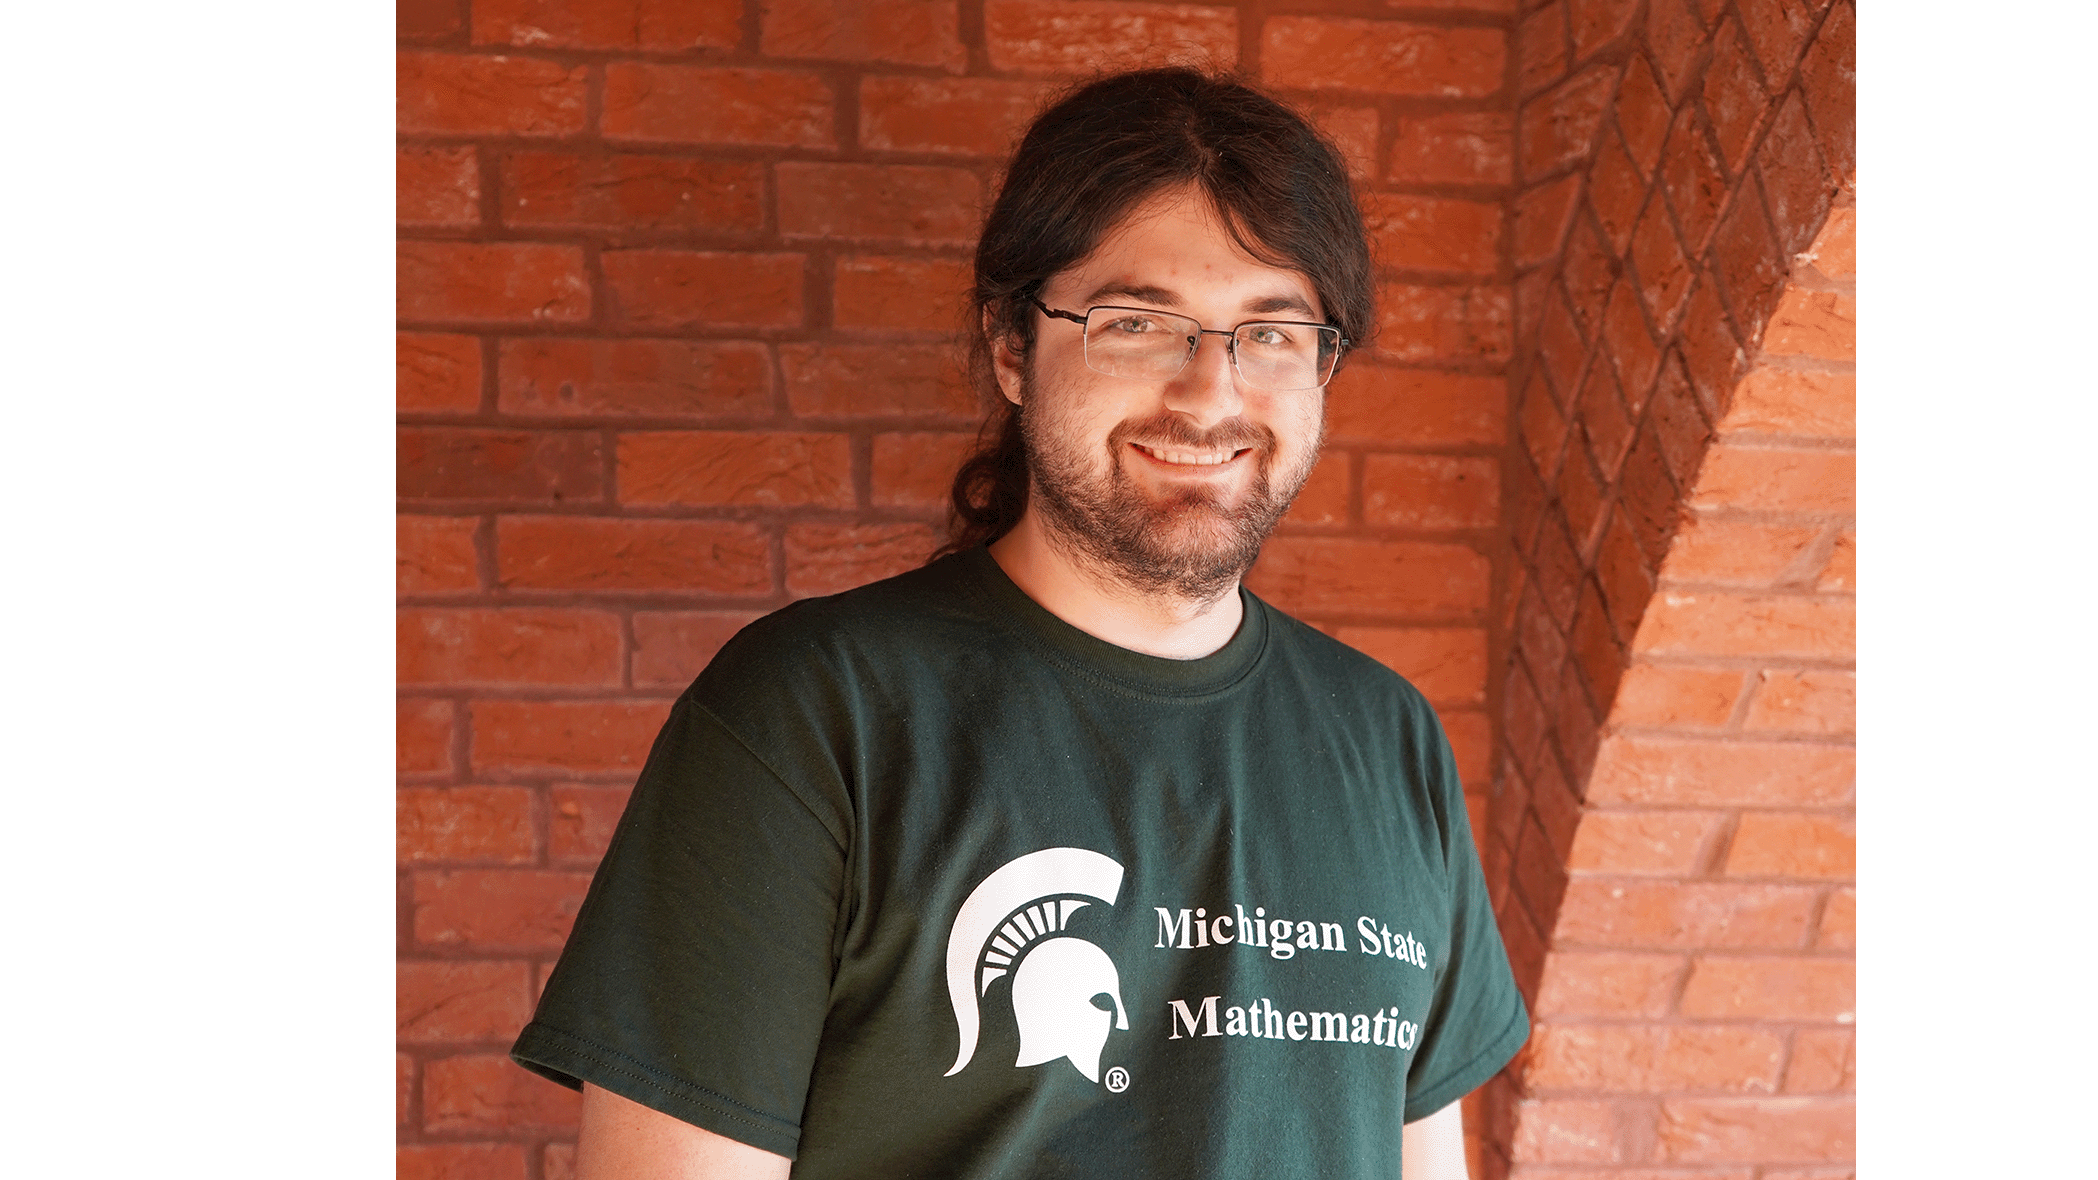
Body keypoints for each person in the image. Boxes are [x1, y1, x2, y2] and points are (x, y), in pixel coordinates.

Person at [510, 66, 1529, 1179]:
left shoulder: (1388, 739)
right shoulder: (817, 712)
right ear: (1011, 344)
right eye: (1137, 322)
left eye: (1272, 334)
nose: (1210, 396)